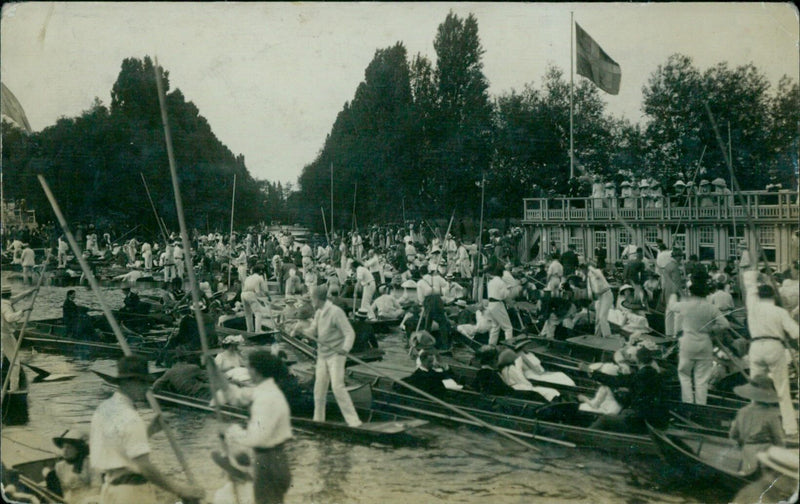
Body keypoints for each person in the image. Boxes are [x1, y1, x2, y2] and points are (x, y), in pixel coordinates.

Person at [90, 356, 205, 504]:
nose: (146, 387)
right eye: (142, 382)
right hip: (131, 493)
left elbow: (119, 446)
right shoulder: (130, 416)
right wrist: (181, 490)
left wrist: (149, 431)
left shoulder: (104, 408)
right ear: (128, 382)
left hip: (110, 490)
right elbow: (144, 466)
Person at [222, 350, 292, 504]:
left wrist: (231, 433)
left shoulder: (267, 398)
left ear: (255, 371)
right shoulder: (264, 390)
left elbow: (256, 438)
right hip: (274, 459)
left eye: (248, 367)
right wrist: (216, 376)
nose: (247, 370)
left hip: (269, 461)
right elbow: (237, 397)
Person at [292, 285, 362, 427]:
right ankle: (318, 420)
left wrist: (345, 348)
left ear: (318, 299)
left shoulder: (336, 312)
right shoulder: (318, 312)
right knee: (319, 388)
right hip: (323, 355)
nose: (311, 301)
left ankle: (354, 422)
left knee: (337, 387)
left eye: (312, 298)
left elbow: (349, 333)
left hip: (336, 354)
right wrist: (303, 331)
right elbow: (314, 330)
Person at [742, 268, 799, 438]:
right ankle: (790, 428)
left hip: (756, 347)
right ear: (773, 297)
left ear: (759, 296)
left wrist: (755, 274)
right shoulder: (779, 311)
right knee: (782, 388)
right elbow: (796, 333)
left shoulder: (753, 307)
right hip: (775, 347)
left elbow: (749, 285)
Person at [670, 271, 729, 405]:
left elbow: (672, 307)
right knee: (702, 379)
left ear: (691, 293)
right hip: (704, 344)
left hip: (688, 344)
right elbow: (725, 324)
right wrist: (711, 329)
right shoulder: (711, 308)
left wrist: (674, 294)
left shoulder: (686, 305)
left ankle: (688, 403)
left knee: (685, 376)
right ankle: (701, 405)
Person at [588, 347, 668, 433]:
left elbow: (616, 381)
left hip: (643, 422)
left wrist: (593, 373)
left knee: (604, 419)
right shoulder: (655, 374)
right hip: (653, 419)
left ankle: (585, 435)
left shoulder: (640, 375)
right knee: (620, 413)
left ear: (638, 361)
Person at [729, 375, 785, 474]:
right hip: (766, 452)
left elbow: (733, 435)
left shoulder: (742, 411)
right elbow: (778, 438)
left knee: (748, 472)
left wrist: (741, 443)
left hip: (748, 450)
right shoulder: (771, 415)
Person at [1, 285, 34, 393]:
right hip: (5, 336)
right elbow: (10, 318)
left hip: (2, 335)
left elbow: (18, 297)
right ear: (8, 294)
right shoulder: (5, 306)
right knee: (15, 362)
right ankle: (13, 388)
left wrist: (32, 290)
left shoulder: (5, 302)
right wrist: (22, 311)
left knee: (2, 359)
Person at [45, 429, 93, 502]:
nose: (65, 450)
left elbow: (97, 487)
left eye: (69, 447)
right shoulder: (59, 466)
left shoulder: (90, 464)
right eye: (63, 447)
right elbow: (63, 489)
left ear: (78, 450)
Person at [484, 265, 514, 346]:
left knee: (495, 326)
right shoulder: (501, 282)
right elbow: (505, 296)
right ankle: (509, 346)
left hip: (490, 304)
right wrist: (509, 290)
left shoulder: (490, 282)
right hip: (497, 304)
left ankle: (491, 346)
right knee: (508, 328)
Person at [583, 263, 613, 338]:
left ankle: (607, 336)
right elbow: (590, 291)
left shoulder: (596, 272)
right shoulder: (588, 278)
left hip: (606, 294)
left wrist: (589, 266)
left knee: (602, 317)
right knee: (597, 318)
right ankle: (597, 336)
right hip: (599, 297)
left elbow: (598, 273)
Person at [241, 265, 271, 333]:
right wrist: (269, 297)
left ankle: (249, 330)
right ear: (260, 271)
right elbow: (264, 290)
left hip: (243, 294)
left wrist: (260, 300)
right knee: (258, 313)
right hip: (250, 294)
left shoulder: (248, 277)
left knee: (248, 314)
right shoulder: (259, 278)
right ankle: (258, 330)